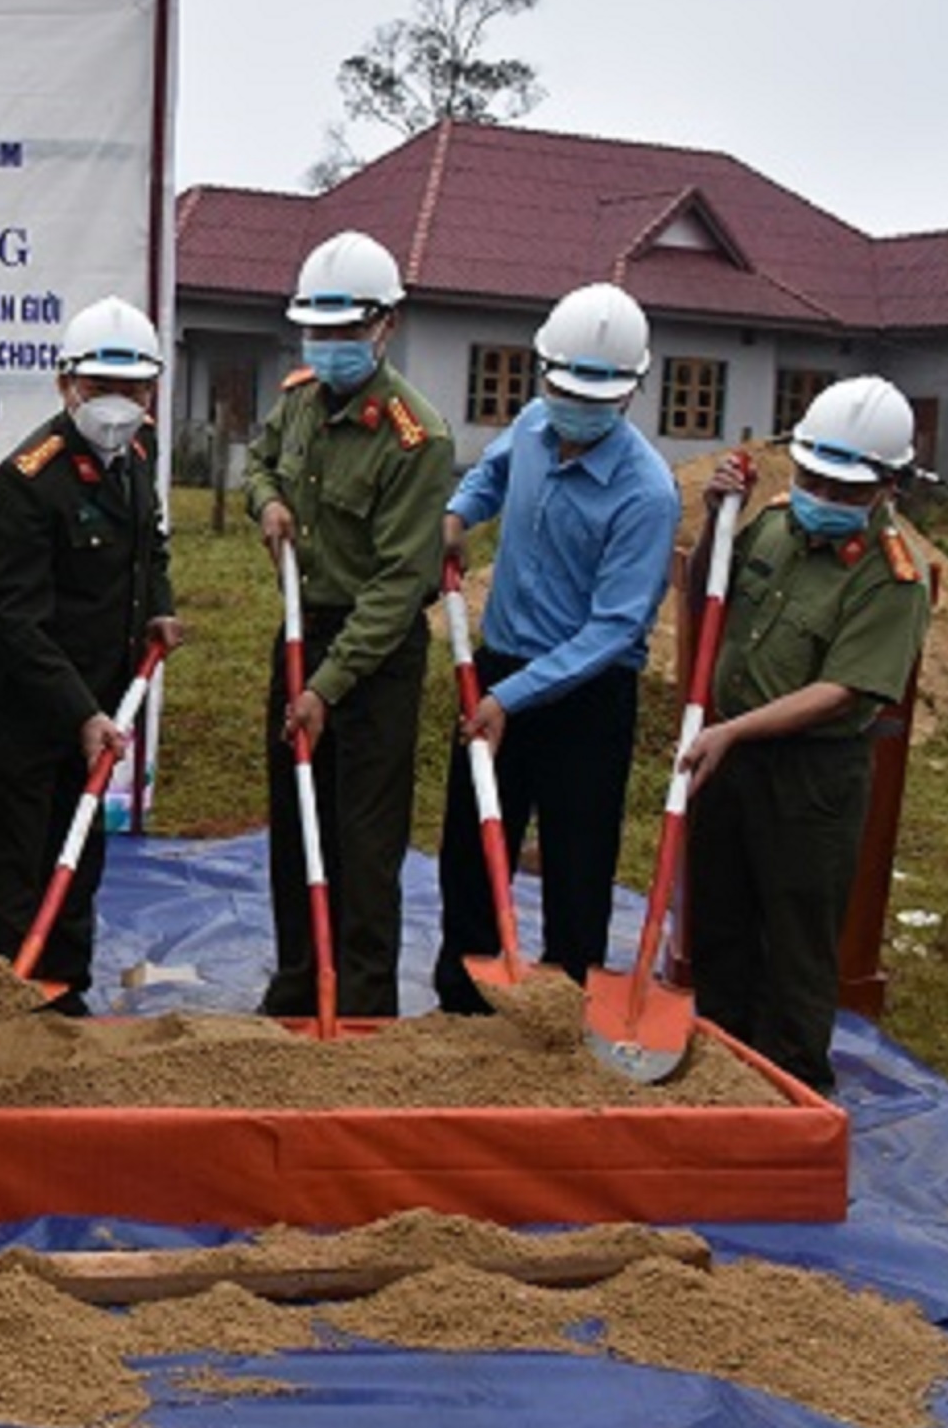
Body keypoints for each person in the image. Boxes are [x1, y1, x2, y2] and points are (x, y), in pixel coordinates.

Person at [433, 284, 681, 1011]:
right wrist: (460, 513)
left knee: (578, 858)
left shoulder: (647, 493)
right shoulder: (536, 421)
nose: (574, 409)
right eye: (563, 389)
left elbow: (613, 628)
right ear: (543, 374)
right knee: (474, 844)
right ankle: (466, 997)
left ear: (631, 392)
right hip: (501, 661)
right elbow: (494, 471)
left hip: (585, 693)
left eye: (596, 399)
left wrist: (508, 698)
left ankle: (565, 1001)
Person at [680, 375, 930, 1094]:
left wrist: (735, 732)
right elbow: (706, 592)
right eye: (815, 476)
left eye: (846, 490)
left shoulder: (893, 576)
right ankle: (719, 1069)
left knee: (795, 941)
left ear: (887, 487)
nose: (824, 496)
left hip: (810, 778)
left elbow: (843, 689)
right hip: (731, 759)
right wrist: (717, 519)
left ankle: (789, 1089)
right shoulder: (776, 522)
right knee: (720, 925)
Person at [242, 229, 454, 1019]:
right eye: (317, 331)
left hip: (374, 656)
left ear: (385, 326)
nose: (329, 346)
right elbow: (257, 461)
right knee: (296, 820)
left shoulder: (415, 435)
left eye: (345, 331)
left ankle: (363, 999)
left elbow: (402, 584)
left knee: (363, 837)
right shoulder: (297, 400)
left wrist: (327, 688)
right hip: (302, 630)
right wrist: (265, 502)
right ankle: (298, 979)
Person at [0, 297, 183, 1014]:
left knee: (81, 844)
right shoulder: (26, 482)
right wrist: (81, 710)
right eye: (99, 389)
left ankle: (66, 991)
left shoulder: (139, 456)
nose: (117, 406)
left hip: (100, 694)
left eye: (133, 390)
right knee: (19, 857)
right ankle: (8, 995)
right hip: (28, 703)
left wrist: (159, 601)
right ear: (66, 384)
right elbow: (17, 620)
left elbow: (149, 544)